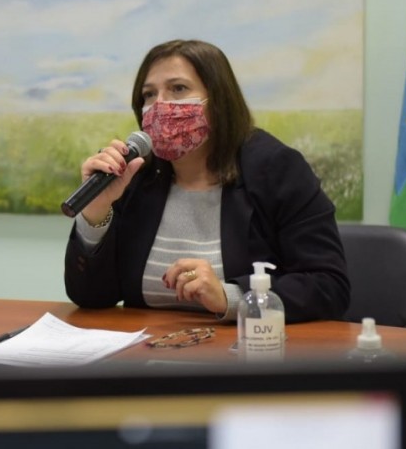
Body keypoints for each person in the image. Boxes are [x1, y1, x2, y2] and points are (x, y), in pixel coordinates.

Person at [64, 39, 349, 323]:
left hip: (246, 352)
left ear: (218, 101)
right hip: (148, 353)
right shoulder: (136, 174)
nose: (159, 104)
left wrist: (231, 297)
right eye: (149, 95)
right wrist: (96, 212)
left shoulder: (276, 168)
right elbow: (92, 297)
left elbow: (329, 286)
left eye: (178, 89)